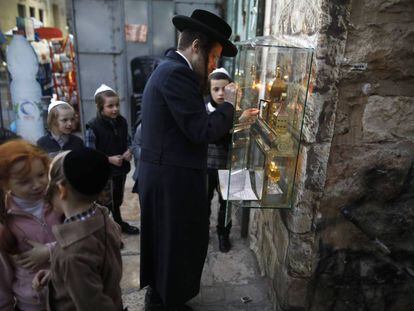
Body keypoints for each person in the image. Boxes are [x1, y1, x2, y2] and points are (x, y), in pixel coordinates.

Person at [139, 9, 238, 311]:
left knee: (170, 244)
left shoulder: (172, 69)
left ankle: (164, 297)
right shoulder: (176, 73)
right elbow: (201, 129)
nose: (214, 66)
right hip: (171, 180)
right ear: (196, 46)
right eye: (213, 57)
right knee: (174, 245)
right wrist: (230, 106)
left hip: (168, 175)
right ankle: (166, 303)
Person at [32, 147, 123, 310]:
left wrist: (67, 268)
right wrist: (56, 274)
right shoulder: (102, 216)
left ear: (61, 189)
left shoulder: (72, 253)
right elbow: (93, 270)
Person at [0, 140, 62, 310]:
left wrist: (49, 251)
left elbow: (83, 238)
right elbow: (3, 275)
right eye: (24, 181)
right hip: (33, 302)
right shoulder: (5, 221)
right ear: (5, 184)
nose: (37, 185)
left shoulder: (61, 200)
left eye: (41, 175)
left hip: (68, 290)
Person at [205, 68, 258, 253]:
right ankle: (203, 233)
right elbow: (216, 137)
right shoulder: (204, 111)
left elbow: (239, 140)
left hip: (229, 165)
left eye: (225, 89)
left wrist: (242, 122)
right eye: (216, 89)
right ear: (209, 90)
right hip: (207, 166)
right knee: (204, 201)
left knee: (226, 204)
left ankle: (223, 234)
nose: (220, 93)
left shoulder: (237, 112)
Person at [85, 84, 139, 235]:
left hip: (119, 170)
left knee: (117, 199)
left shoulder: (121, 121)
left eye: (116, 105)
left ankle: (117, 222)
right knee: (105, 202)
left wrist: (129, 151)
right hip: (104, 172)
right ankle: (107, 229)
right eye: (110, 106)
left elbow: (128, 140)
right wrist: (108, 159)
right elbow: (90, 152)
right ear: (100, 107)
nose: (115, 109)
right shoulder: (93, 126)